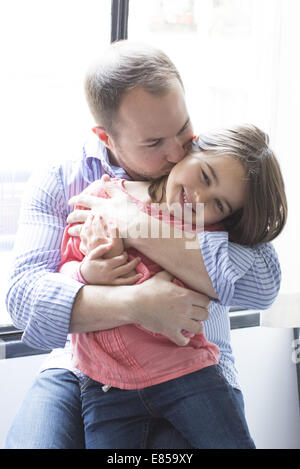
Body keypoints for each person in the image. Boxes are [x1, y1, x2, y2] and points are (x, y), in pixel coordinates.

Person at [5, 40, 282, 449]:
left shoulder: (210, 170)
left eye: (184, 129)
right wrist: (138, 305)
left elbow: (263, 284)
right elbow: (24, 300)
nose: (176, 153)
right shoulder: (63, 179)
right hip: (82, 366)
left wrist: (134, 223)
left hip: (192, 363)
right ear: (106, 136)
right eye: (154, 143)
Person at [57, 124, 286, 448]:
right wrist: (87, 272)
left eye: (218, 204)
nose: (199, 198)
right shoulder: (103, 196)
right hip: (108, 386)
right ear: (189, 150)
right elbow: (65, 271)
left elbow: (261, 283)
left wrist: (137, 230)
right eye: (205, 176)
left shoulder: (206, 234)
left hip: (187, 374)